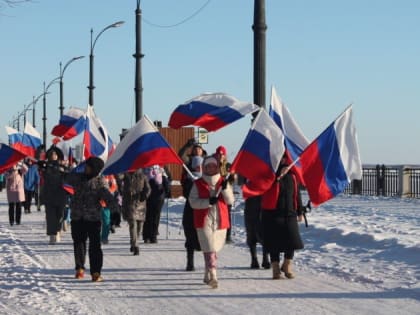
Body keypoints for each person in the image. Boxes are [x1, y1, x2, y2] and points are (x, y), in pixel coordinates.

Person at [65, 156, 119, 282]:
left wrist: (115, 211)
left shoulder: (100, 182)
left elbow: (108, 197)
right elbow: (65, 177)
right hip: (77, 216)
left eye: (88, 166)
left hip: (93, 218)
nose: (86, 168)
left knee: (95, 246)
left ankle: (95, 272)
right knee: (79, 243)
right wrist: (53, 168)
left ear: (95, 169)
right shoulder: (78, 178)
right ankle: (80, 268)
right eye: (86, 166)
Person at [189, 156, 234, 288]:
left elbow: (230, 201)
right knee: (209, 246)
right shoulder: (198, 184)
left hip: (220, 220)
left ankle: (207, 271)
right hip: (204, 219)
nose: (211, 169)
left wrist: (225, 189)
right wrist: (207, 202)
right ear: (204, 168)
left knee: (213, 248)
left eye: (213, 166)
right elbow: (193, 202)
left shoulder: (223, 182)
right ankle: (213, 275)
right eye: (208, 166)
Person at [259, 154, 306, 280]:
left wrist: (300, 211)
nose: (283, 161)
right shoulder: (269, 174)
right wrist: (277, 177)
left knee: (292, 240)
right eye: (281, 158)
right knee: (274, 242)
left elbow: (296, 195)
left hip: (290, 213)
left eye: (285, 158)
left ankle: (287, 264)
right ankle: (275, 268)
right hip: (272, 212)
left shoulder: (292, 176)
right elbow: (263, 187)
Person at [38, 145, 68, 244]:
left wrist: (65, 171)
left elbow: (69, 177)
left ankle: (58, 230)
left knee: (60, 215)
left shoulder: (62, 167)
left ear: (58, 156)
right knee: (50, 216)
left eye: (55, 154)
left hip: (60, 195)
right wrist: (41, 166)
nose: (53, 156)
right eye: (51, 154)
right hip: (49, 195)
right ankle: (52, 235)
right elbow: (41, 174)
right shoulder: (45, 167)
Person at [121, 169, 151, 255]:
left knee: (140, 225)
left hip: (140, 203)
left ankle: (134, 241)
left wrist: (145, 195)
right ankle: (135, 245)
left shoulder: (142, 175)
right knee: (133, 224)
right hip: (130, 203)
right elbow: (119, 177)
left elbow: (148, 188)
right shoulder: (126, 174)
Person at [181, 155, 203, 271]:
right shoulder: (189, 179)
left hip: (201, 212)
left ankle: (209, 265)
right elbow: (185, 194)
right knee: (190, 237)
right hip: (191, 211)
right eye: (198, 166)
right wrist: (192, 184)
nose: (199, 168)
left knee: (203, 239)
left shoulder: (206, 180)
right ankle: (190, 263)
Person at [142, 164, 170, 244]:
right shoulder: (144, 168)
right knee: (148, 215)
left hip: (159, 195)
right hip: (148, 195)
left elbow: (166, 179)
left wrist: (167, 189)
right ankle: (146, 236)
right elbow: (142, 180)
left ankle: (153, 236)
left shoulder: (161, 168)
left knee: (156, 216)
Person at [214, 145, 234, 243]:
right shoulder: (213, 165)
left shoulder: (228, 166)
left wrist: (232, 174)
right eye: (219, 154)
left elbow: (232, 180)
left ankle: (228, 235)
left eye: (222, 154)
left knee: (227, 213)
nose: (220, 156)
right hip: (216, 191)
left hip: (226, 192)